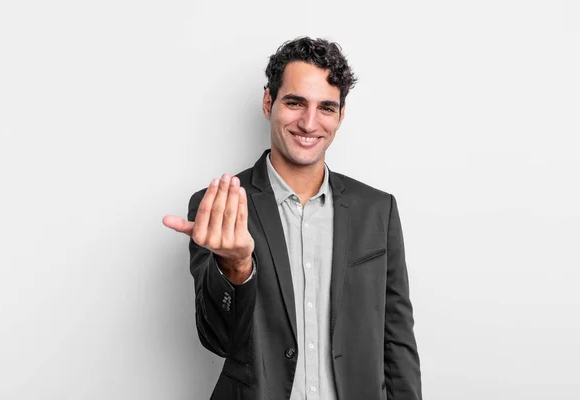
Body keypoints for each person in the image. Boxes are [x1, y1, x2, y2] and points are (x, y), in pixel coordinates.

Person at [163, 37, 422, 400]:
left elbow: (397, 341)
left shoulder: (378, 210)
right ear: (269, 102)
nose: (309, 122)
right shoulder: (219, 206)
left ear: (341, 116)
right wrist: (235, 266)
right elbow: (219, 340)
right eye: (295, 102)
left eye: (326, 108)